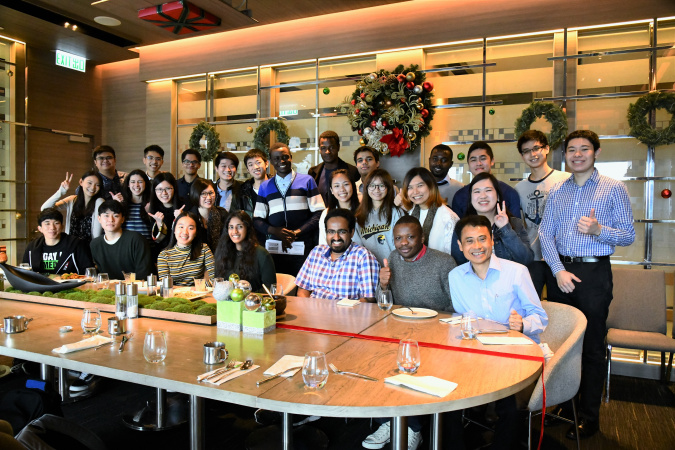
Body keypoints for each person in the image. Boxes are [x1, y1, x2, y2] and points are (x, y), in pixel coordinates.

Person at [539, 130, 635, 439]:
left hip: (594, 275)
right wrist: (557, 270)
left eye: (584, 149)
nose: (577, 154)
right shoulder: (557, 191)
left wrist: (598, 229)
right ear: (564, 155)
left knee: (592, 346)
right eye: (571, 150)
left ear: (596, 152)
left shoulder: (613, 189)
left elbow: (628, 235)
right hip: (561, 274)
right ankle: (566, 408)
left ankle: (589, 416)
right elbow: (545, 234)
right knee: (563, 345)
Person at [446, 214, 547, 450]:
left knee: (509, 407)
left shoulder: (517, 272)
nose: (477, 246)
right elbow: (461, 318)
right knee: (447, 400)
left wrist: (522, 324)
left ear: (492, 240)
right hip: (475, 357)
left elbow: (541, 317)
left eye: (482, 239)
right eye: (469, 241)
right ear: (460, 247)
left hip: (514, 355)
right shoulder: (456, 277)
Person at [253, 142, 325, 277]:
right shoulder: (265, 187)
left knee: (302, 288)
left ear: (291, 157)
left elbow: (319, 212)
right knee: (279, 287)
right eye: (276, 158)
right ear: (271, 161)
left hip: (303, 246)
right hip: (275, 249)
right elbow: (257, 220)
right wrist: (274, 231)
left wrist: (297, 232)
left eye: (285, 157)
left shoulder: (307, 181)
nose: (281, 161)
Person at [515, 130, 571, 298]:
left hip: (561, 257)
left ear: (546, 149)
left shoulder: (566, 180)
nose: (532, 154)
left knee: (561, 306)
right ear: (522, 155)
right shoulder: (519, 189)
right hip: (534, 258)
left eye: (536, 148)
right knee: (531, 304)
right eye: (526, 151)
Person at [450, 172, 533, 266]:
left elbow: (526, 260)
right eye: (477, 191)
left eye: (488, 190)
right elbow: (458, 263)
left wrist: (505, 229)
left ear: (497, 196)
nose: (483, 196)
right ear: (471, 198)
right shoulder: (462, 227)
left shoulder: (514, 223)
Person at [296, 208, 378, 301]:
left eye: (342, 232)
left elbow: (368, 299)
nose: (336, 237)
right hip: (313, 311)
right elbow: (302, 290)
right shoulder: (316, 252)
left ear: (352, 232)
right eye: (331, 231)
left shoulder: (363, 256)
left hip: (346, 313)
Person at [377, 216, 456, 311]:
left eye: (410, 237)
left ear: (422, 238)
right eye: (398, 238)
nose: (404, 243)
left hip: (436, 322)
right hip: (400, 320)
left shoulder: (444, 262)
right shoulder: (393, 258)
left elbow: (458, 303)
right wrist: (383, 285)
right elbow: (382, 303)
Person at [451, 141, 521, 217]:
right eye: (473, 160)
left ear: (492, 161)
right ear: (468, 164)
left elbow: (515, 226)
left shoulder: (509, 193)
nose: (478, 163)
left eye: (483, 158)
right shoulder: (460, 196)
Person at [399, 167, 459, 255]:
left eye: (420, 186)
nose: (415, 192)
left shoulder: (448, 217)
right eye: (410, 187)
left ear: (431, 186)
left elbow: (454, 254)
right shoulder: (411, 213)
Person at [353, 169, 405, 267]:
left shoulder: (396, 213)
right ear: (366, 188)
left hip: (396, 268)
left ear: (388, 188)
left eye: (381, 186)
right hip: (369, 270)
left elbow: (402, 244)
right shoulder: (359, 217)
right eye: (372, 185)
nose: (376, 190)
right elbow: (358, 249)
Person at [90, 200, 153, 281]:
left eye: (116, 216)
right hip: (108, 290)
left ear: (123, 219)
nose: (111, 220)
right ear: (99, 218)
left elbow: (144, 274)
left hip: (136, 289)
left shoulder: (136, 239)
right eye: (106, 216)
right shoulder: (95, 244)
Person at [214, 211, 276, 292]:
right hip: (227, 302)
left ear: (247, 228)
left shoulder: (261, 254)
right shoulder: (222, 252)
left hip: (254, 302)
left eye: (239, 227)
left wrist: (247, 295)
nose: (235, 231)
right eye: (231, 227)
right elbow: (218, 283)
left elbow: (271, 289)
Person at [22, 208, 93, 275]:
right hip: (39, 286)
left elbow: (88, 271)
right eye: (47, 223)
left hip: (69, 286)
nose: (52, 228)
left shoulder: (76, 244)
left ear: (62, 226)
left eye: (56, 223)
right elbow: (24, 272)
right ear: (40, 228)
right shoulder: (32, 247)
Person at [41, 170, 105, 244]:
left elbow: (96, 235)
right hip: (70, 246)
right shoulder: (72, 199)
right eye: (89, 183)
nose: (93, 187)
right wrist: (60, 192)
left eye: (97, 185)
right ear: (81, 182)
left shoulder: (99, 202)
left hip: (88, 248)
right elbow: (45, 209)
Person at [157, 211, 215, 286]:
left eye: (190, 228)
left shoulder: (204, 249)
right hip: (175, 296)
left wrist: (198, 289)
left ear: (196, 232)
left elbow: (215, 279)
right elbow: (165, 285)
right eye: (181, 227)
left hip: (199, 294)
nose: (185, 232)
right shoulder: (164, 255)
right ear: (174, 230)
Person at [308, 130, 360, 204]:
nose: (327, 151)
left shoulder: (352, 171)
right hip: (320, 214)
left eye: (331, 147)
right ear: (319, 149)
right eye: (323, 148)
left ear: (338, 147)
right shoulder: (313, 172)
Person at [318, 168, 360, 245]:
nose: (342, 189)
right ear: (331, 190)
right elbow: (323, 244)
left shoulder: (363, 211)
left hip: (360, 255)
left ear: (353, 186)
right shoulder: (326, 213)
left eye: (346, 184)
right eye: (337, 186)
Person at [189, 178, 228, 254]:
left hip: (219, 258)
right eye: (203, 194)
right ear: (196, 194)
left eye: (211, 193)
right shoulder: (189, 217)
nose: (209, 197)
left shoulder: (222, 214)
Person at [147, 173, 182, 251]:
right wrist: (160, 224)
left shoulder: (183, 206)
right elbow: (158, 241)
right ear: (154, 190)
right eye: (159, 189)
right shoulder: (153, 209)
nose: (164, 193)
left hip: (181, 253)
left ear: (174, 188)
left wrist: (181, 219)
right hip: (161, 255)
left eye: (168, 188)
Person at [119, 169, 153, 242]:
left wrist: (150, 214)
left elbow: (156, 230)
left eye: (140, 182)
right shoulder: (123, 204)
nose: (136, 185)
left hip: (147, 247)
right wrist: (117, 206)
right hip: (127, 247)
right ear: (128, 184)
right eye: (133, 182)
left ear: (145, 184)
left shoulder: (150, 204)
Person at [239, 148, 269, 219]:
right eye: (250, 165)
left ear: (266, 164)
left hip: (274, 229)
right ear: (248, 170)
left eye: (258, 162)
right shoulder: (244, 191)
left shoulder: (276, 186)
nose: (255, 167)